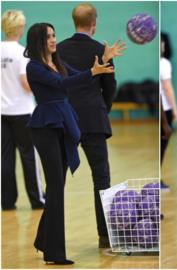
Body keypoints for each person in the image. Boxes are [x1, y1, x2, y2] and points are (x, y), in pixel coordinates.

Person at [24, 22, 122, 265]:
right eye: (49, 37)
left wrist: (100, 67)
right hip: (46, 126)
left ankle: (43, 239)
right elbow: (61, 85)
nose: (53, 40)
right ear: (38, 40)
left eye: (54, 35)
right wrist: (93, 73)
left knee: (59, 184)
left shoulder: (56, 62)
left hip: (65, 123)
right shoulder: (34, 67)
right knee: (56, 187)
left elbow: (76, 77)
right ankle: (54, 253)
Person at [56, 3, 126, 249]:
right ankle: (105, 237)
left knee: (57, 181)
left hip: (64, 120)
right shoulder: (102, 50)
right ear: (94, 23)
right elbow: (110, 87)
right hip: (93, 120)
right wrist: (101, 110)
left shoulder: (59, 50)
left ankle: (54, 239)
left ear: (74, 22)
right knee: (101, 178)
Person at [1, 9, 45, 210]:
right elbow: (26, 83)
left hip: (2, 113)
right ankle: (37, 200)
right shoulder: (22, 52)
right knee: (29, 155)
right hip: (23, 113)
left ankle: (7, 201)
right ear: (19, 28)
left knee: (5, 157)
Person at [160, 32, 177, 192]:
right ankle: (157, 179)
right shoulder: (164, 63)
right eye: (161, 43)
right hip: (164, 110)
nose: (163, 46)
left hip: (160, 109)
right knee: (162, 146)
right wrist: (174, 108)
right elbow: (167, 87)